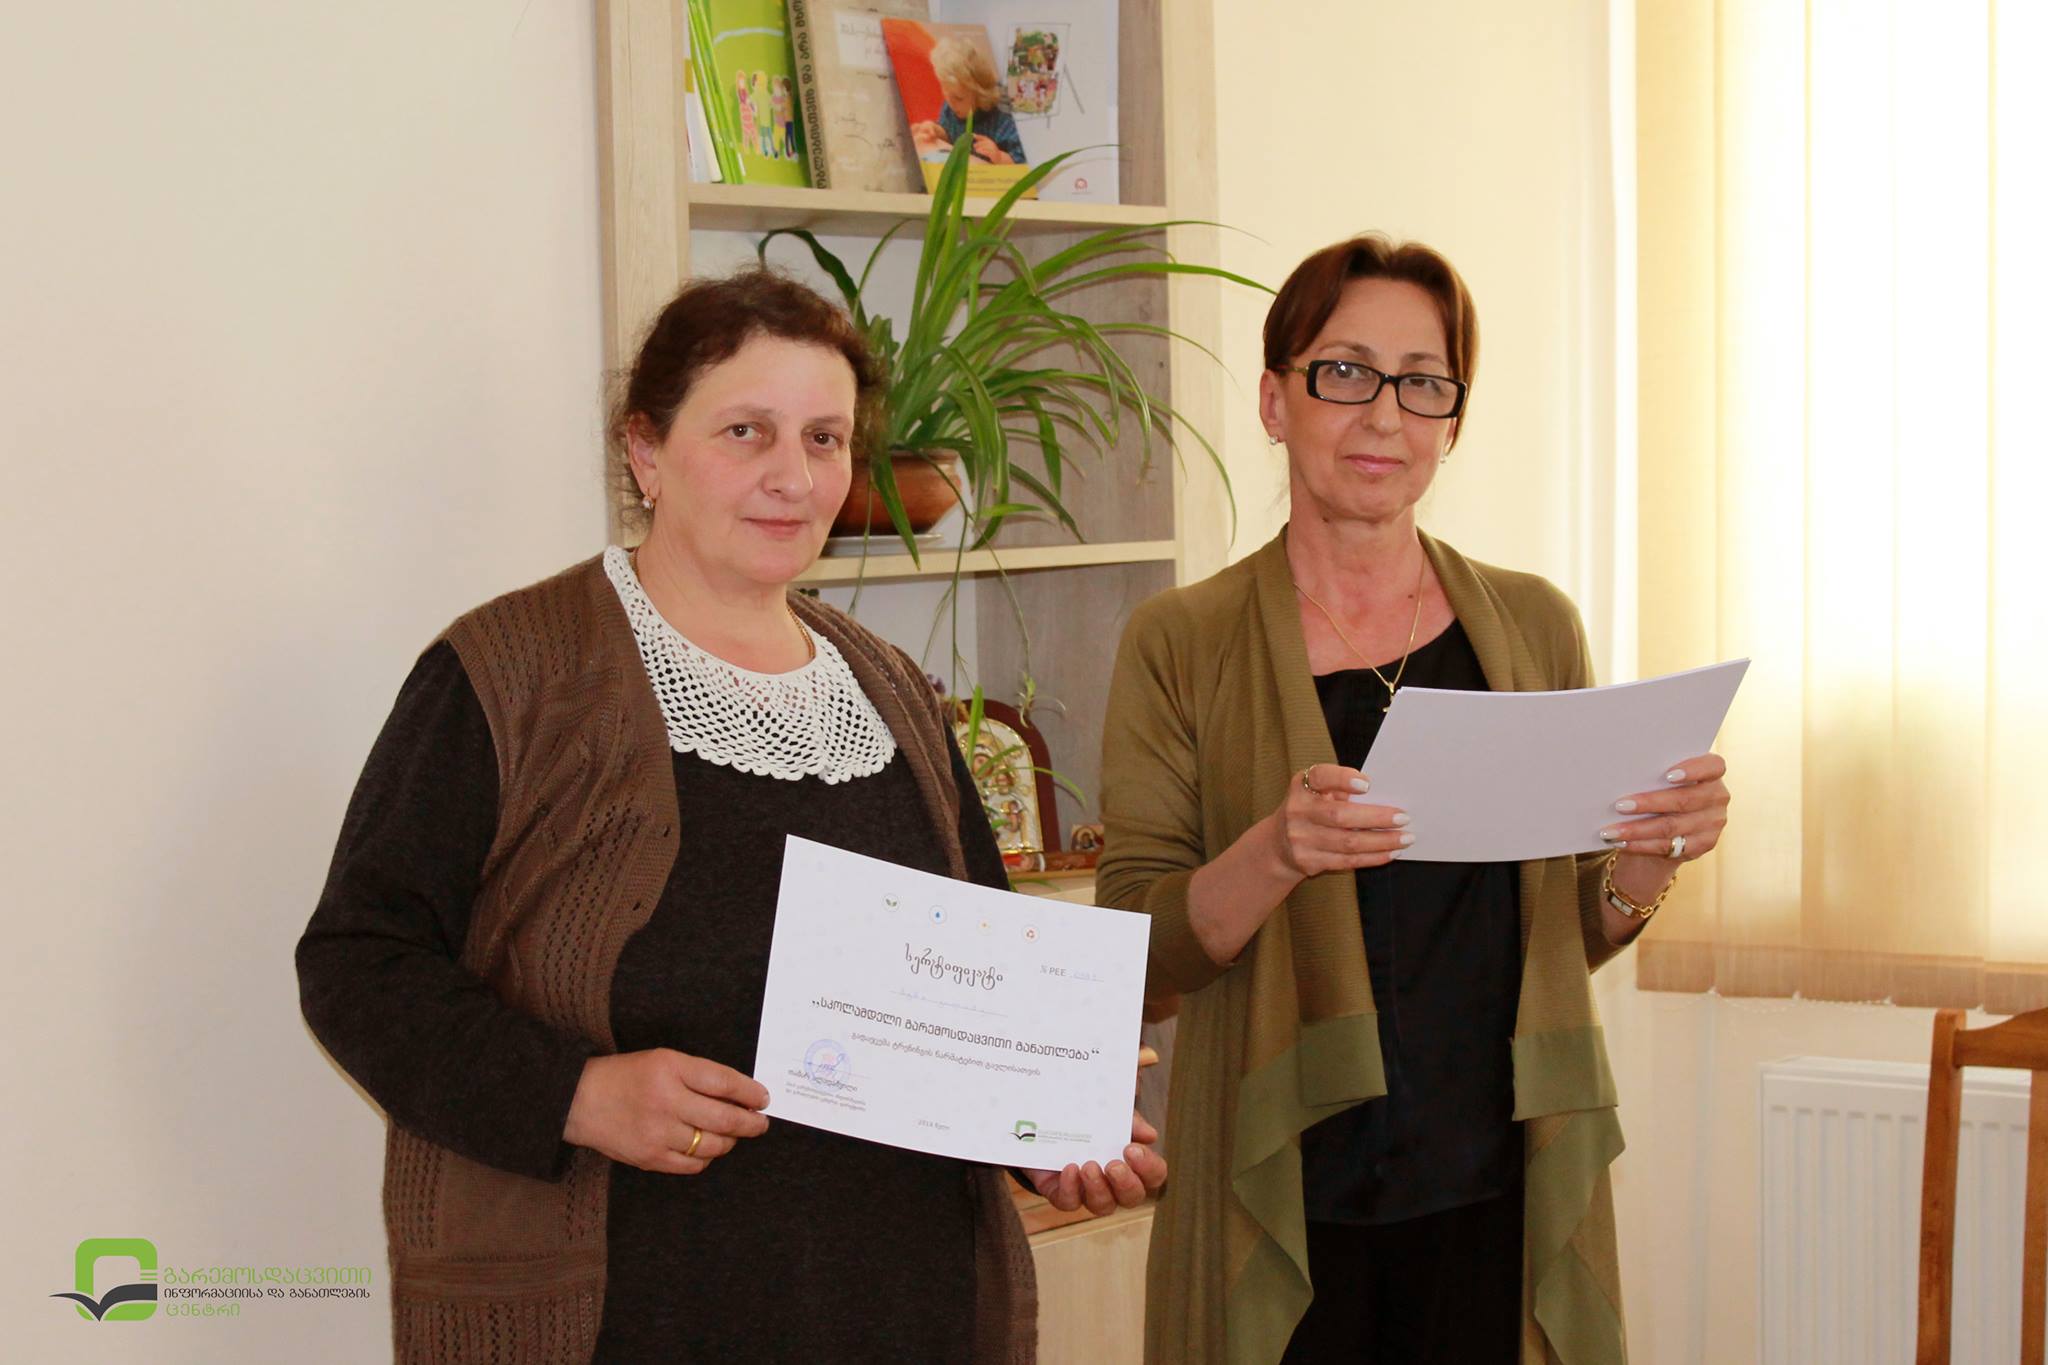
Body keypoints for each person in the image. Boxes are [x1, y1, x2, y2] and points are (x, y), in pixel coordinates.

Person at [296, 268, 1164, 1363]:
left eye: (823, 439)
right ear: (645, 452)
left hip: (904, 1309)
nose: (791, 477)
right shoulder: (510, 673)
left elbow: (975, 982)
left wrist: (1041, 1125)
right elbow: (358, 964)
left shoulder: (891, 691)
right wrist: (575, 1094)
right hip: (628, 1321)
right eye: (745, 431)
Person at [1096, 235, 1732, 1364]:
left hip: (1495, 1175)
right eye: (1344, 372)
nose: (1383, 415)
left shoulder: (1531, 624)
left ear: (1452, 420)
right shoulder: (1180, 640)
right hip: (1281, 1180)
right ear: (1274, 400)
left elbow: (1561, 929)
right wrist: (1277, 850)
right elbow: (1138, 953)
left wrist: (1646, 860)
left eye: (1422, 382)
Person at [910, 35, 1028, 167]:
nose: (951, 103)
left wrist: (1000, 157)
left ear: (980, 95)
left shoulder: (1003, 118)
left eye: (958, 98)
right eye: (946, 94)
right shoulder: (952, 106)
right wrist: (936, 131)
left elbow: (1024, 161)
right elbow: (949, 133)